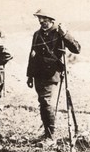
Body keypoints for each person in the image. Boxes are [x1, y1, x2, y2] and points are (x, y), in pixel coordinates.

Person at [26, 9, 80, 141]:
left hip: (52, 74)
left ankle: (50, 137)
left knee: (47, 103)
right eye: (39, 19)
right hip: (39, 73)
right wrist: (30, 75)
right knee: (43, 103)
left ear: (51, 19)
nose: (41, 21)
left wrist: (66, 34)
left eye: (44, 19)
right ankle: (47, 132)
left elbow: (77, 49)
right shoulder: (37, 34)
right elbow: (32, 55)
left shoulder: (59, 33)